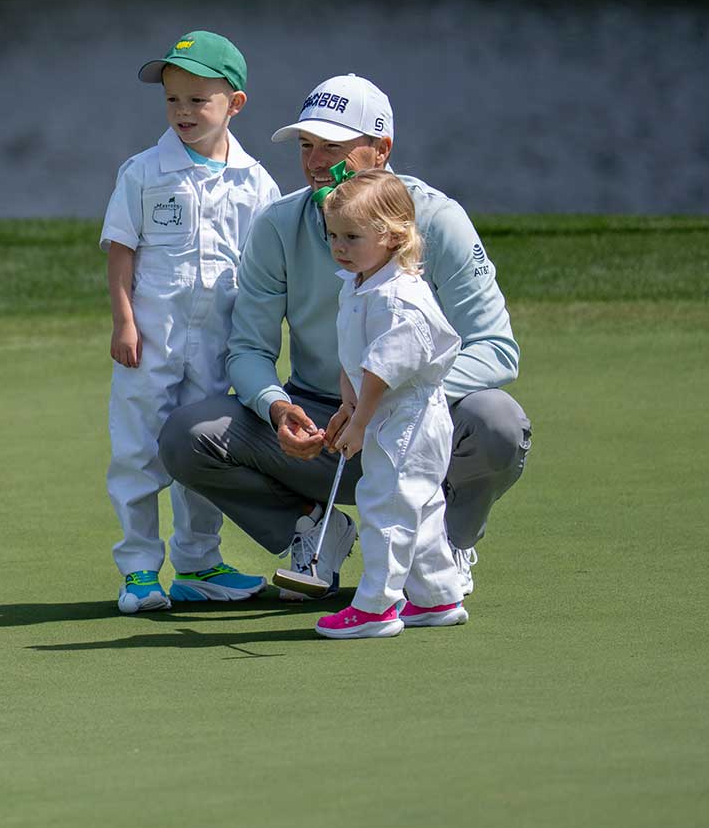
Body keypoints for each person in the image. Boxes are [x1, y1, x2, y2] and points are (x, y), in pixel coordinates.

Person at [157, 73, 531, 599]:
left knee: (499, 424)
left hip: (417, 423)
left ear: (380, 150)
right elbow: (249, 350)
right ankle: (314, 530)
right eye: (307, 146)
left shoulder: (439, 221)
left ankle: (448, 540)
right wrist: (276, 407)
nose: (313, 162)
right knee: (187, 436)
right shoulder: (278, 225)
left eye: (332, 148)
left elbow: (496, 349)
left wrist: (387, 401)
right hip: (320, 426)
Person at [99, 31, 281, 613]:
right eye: (173, 100)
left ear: (235, 104)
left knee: (201, 452)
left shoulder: (256, 182)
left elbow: (264, 270)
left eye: (199, 100)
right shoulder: (143, 171)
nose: (183, 111)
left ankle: (199, 564)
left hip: (218, 346)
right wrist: (124, 321)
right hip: (150, 341)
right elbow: (121, 251)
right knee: (138, 453)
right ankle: (138, 572)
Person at [310, 168, 466, 638]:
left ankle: (377, 605)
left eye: (352, 236)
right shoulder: (358, 282)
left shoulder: (399, 297)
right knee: (417, 505)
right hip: (388, 412)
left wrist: (359, 421)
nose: (339, 246)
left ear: (392, 235)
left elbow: (383, 368)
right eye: (333, 234)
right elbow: (355, 356)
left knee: (387, 505)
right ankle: (438, 596)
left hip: (409, 418)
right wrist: (347, 403)